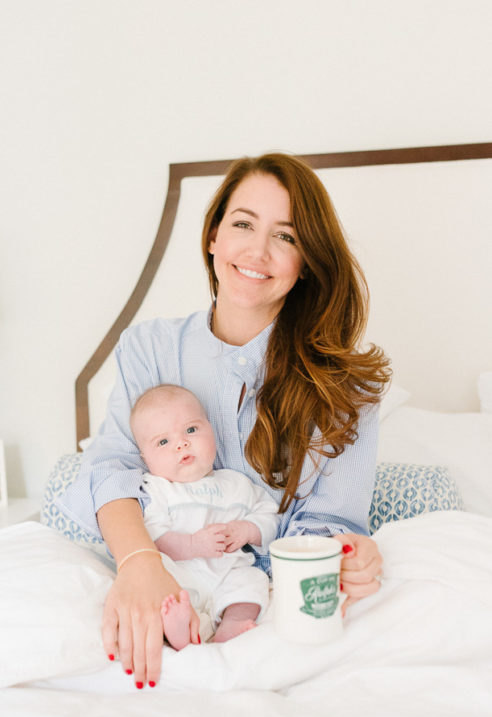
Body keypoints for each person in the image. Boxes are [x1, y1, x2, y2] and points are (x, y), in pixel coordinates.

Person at [58, 152, 391, 689]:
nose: (257, 251)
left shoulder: (345, 382)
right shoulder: (150, 348)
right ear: (213, 236)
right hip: (157, 572)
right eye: (242, 224)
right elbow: (112, 466)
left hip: (273, 605)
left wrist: (351, 555)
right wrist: (141, 563)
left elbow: (332, 523)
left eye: (285, 236)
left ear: (306, 260)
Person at [129, 383, 278, 649]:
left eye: (191, 429)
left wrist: (246, 529)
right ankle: (181, 627)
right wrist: (193, 545)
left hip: (227, 571)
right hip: (182, 572)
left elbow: (269, 515)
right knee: (165, 592)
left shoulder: (236, 483)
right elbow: (154, 537)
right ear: (145, 456)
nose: (181, 443)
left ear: (211, 430)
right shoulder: (156, 489)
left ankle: (232, 625)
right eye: (163, 441)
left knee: (253, 580)